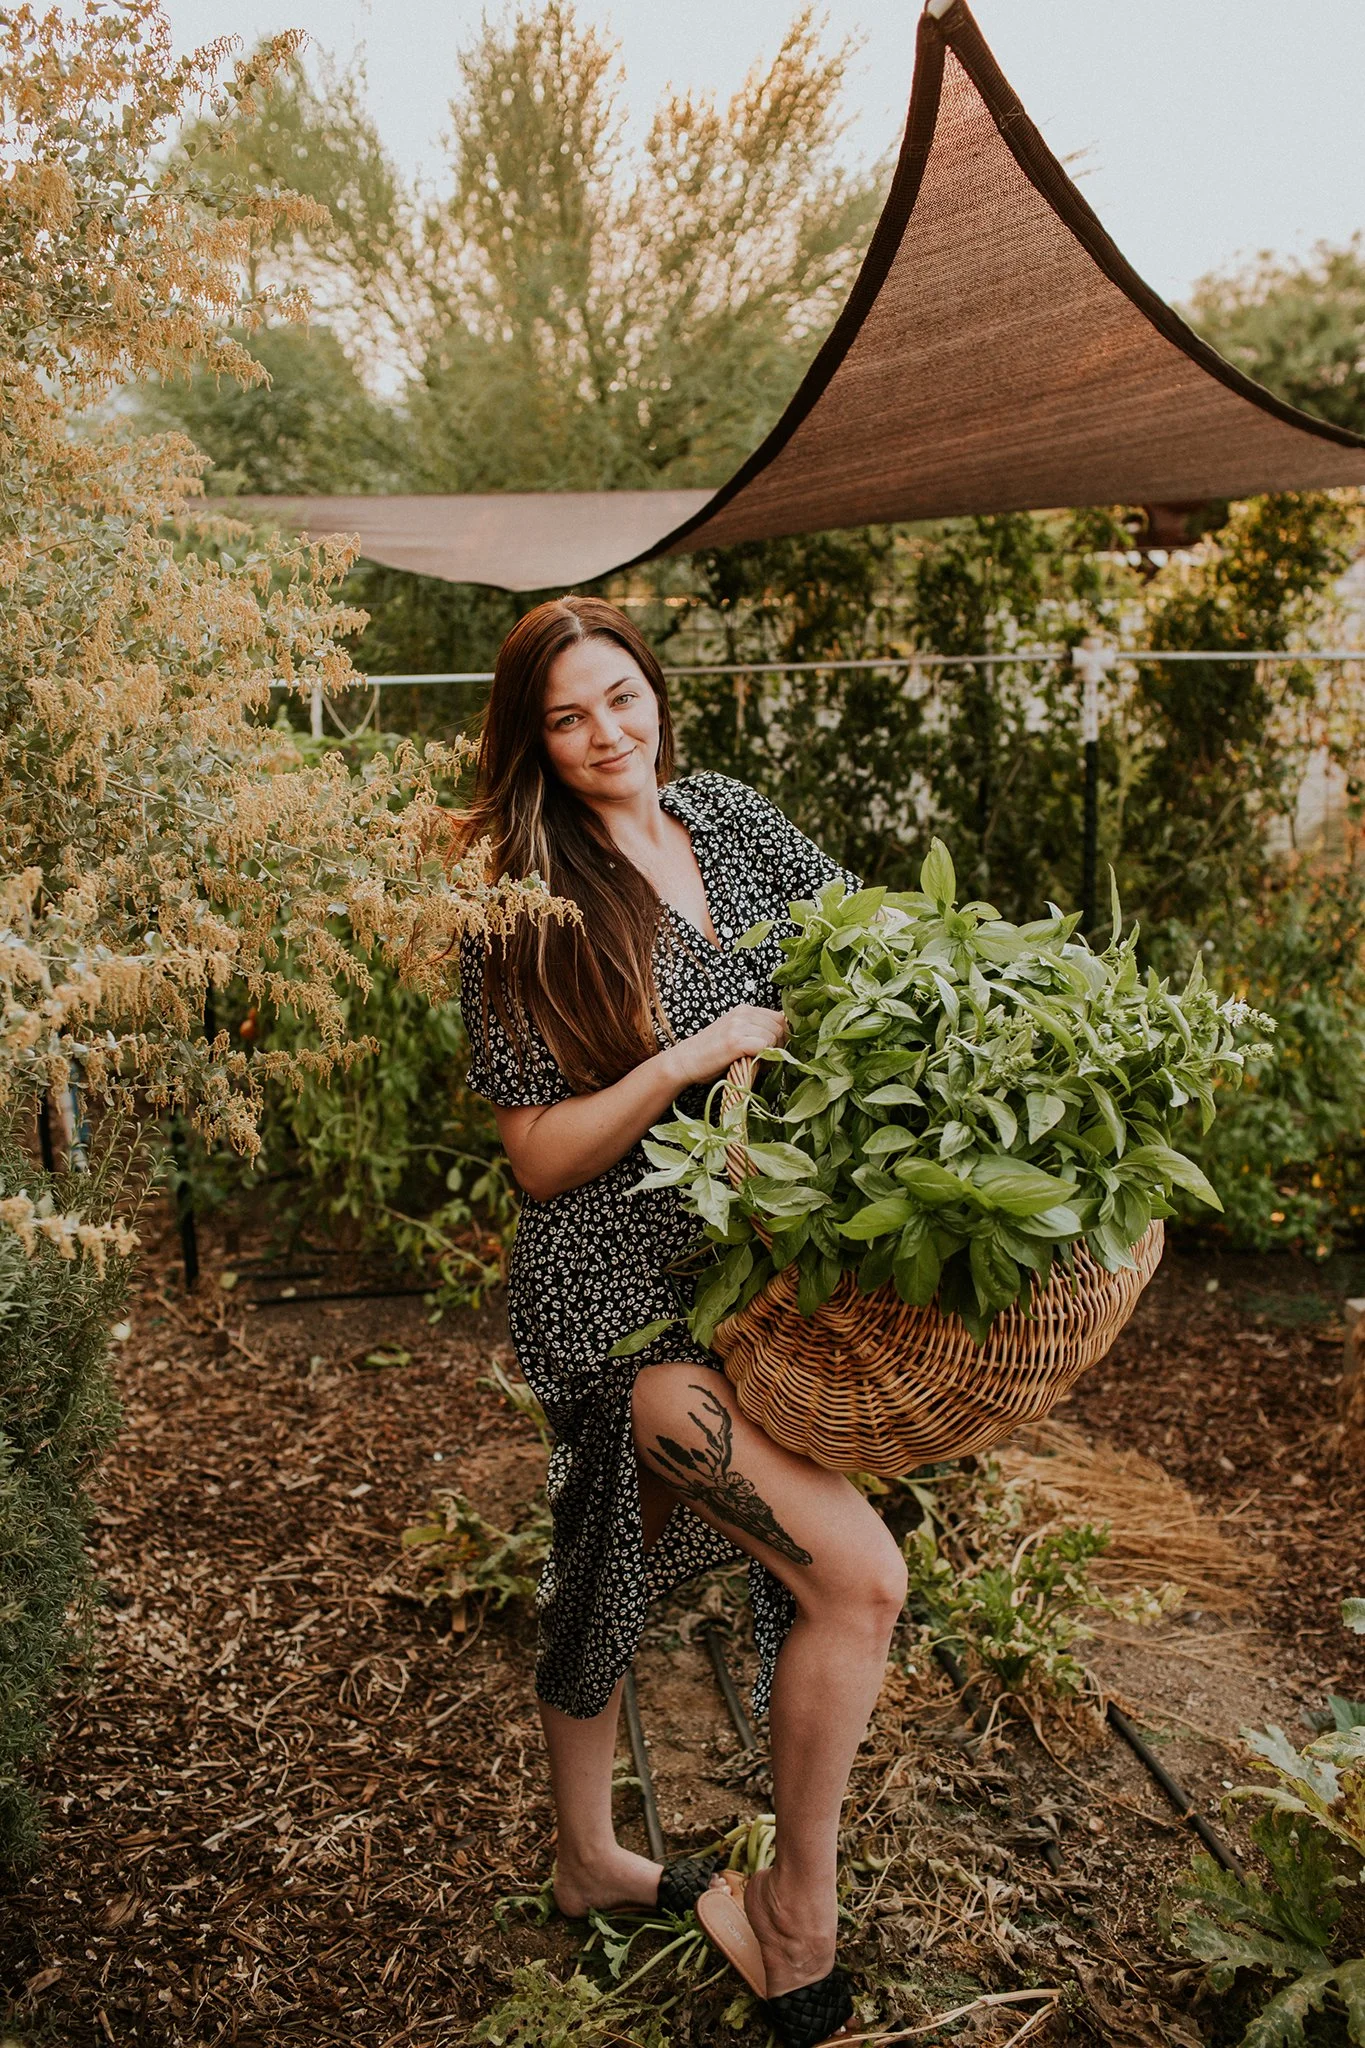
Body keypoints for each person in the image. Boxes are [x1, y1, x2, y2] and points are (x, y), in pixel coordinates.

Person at [457, 597, 907, 2048]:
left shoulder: (727, 815)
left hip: (749, 1286)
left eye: (622, 698)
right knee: (859, 1580)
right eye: (570, 719)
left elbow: (864, 941)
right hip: (615, 1301)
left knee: (610, 1561)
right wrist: (696, 1054)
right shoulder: (524, 896)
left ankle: (590, 1863)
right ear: (534, 742)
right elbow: (535, 1156)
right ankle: (795, 1923)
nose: (609, 738)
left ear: (654, 689)